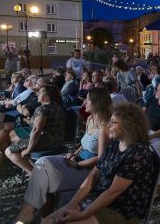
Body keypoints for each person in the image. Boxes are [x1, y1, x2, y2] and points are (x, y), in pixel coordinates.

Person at [42, 103, 157, 224]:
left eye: (113, 122)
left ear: (127, 126)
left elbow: (113, 192)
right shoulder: (114, 144)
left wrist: (81, 215)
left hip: (122, 210)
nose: (108, 125)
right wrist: (72, 205)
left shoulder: (138, 153)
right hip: (98, 198)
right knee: (48, 221)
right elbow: (93, 176)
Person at [15, 87, 112, 223]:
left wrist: (77, 164)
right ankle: (38, 216)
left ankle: (28, 215)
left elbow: (101, 159)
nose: (85, 102)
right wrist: (73, 155)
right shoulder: (90, 119)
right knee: (41, 164)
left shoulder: (104, 128)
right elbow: (83, 145)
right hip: (77, 161)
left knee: (43, 171)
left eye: (88, 99)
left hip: (88, 170)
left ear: (97, 102)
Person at [5, 84, 65, 175]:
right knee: (20, 142)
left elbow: (36, 131)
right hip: (58, 141)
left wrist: (28, 150)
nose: (37, 94)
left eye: (40, 92)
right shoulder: (58, 107)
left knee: (9, 151)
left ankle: (33, 173)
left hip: (45, 142)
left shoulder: (42, 109)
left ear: (47, 95)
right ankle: (33, 168)